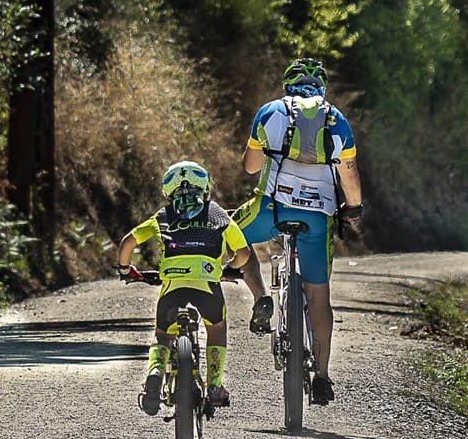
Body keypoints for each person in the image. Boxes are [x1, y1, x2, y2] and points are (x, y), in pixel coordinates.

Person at [234, 58, 364, 405]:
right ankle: (321, 376)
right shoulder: (336, 120)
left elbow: (251, 167)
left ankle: (261, 296)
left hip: (271, 209)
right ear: (322, 89)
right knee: (319, 296)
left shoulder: (271, 112)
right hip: (317, 217)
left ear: (287, 86)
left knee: (233, 235)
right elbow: (348, 174)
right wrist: (353, 206)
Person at [116, 160, 253, 415]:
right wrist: (228, 268)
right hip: (207, 286)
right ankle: (214, 385)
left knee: (163, 336)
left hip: (173, 287)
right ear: (205, 188)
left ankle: (155, 372)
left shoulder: (163, 217)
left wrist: (125, 269)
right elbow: (243, 253)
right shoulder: (219, 215)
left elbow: (128, 242)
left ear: (168, 191)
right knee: (217, 328)